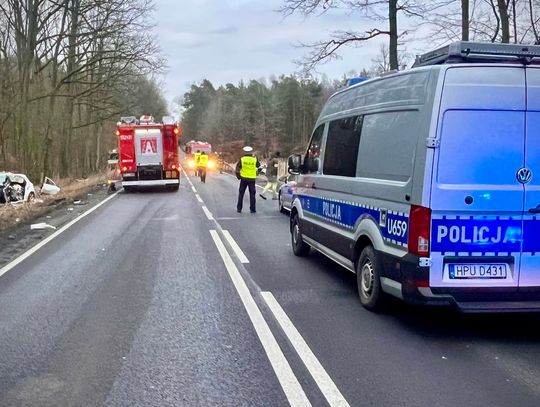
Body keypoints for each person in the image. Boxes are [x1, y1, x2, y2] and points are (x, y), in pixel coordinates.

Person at [235, 146, 260, 213]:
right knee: (252, 194)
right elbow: (258, 165)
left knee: (241, 194)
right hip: (252, 179)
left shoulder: (242, 159)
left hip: (243, 178)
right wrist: (256, 157)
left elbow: (237, 168)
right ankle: (253, 209)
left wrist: (238, 176)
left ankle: (239, 208)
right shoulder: (254, 159)